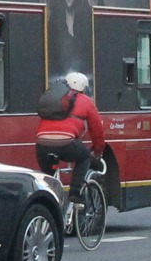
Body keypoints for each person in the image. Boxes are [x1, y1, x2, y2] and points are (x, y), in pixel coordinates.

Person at [35, 72, 106, 203]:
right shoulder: (86, 101)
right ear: (84, 88)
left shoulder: (54, 99)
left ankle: (46, 206)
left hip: (41, 144)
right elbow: (97, 130)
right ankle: (75, 192)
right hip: (66, 143)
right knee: (84, 156)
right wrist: (98, 151)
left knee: (48, 182)